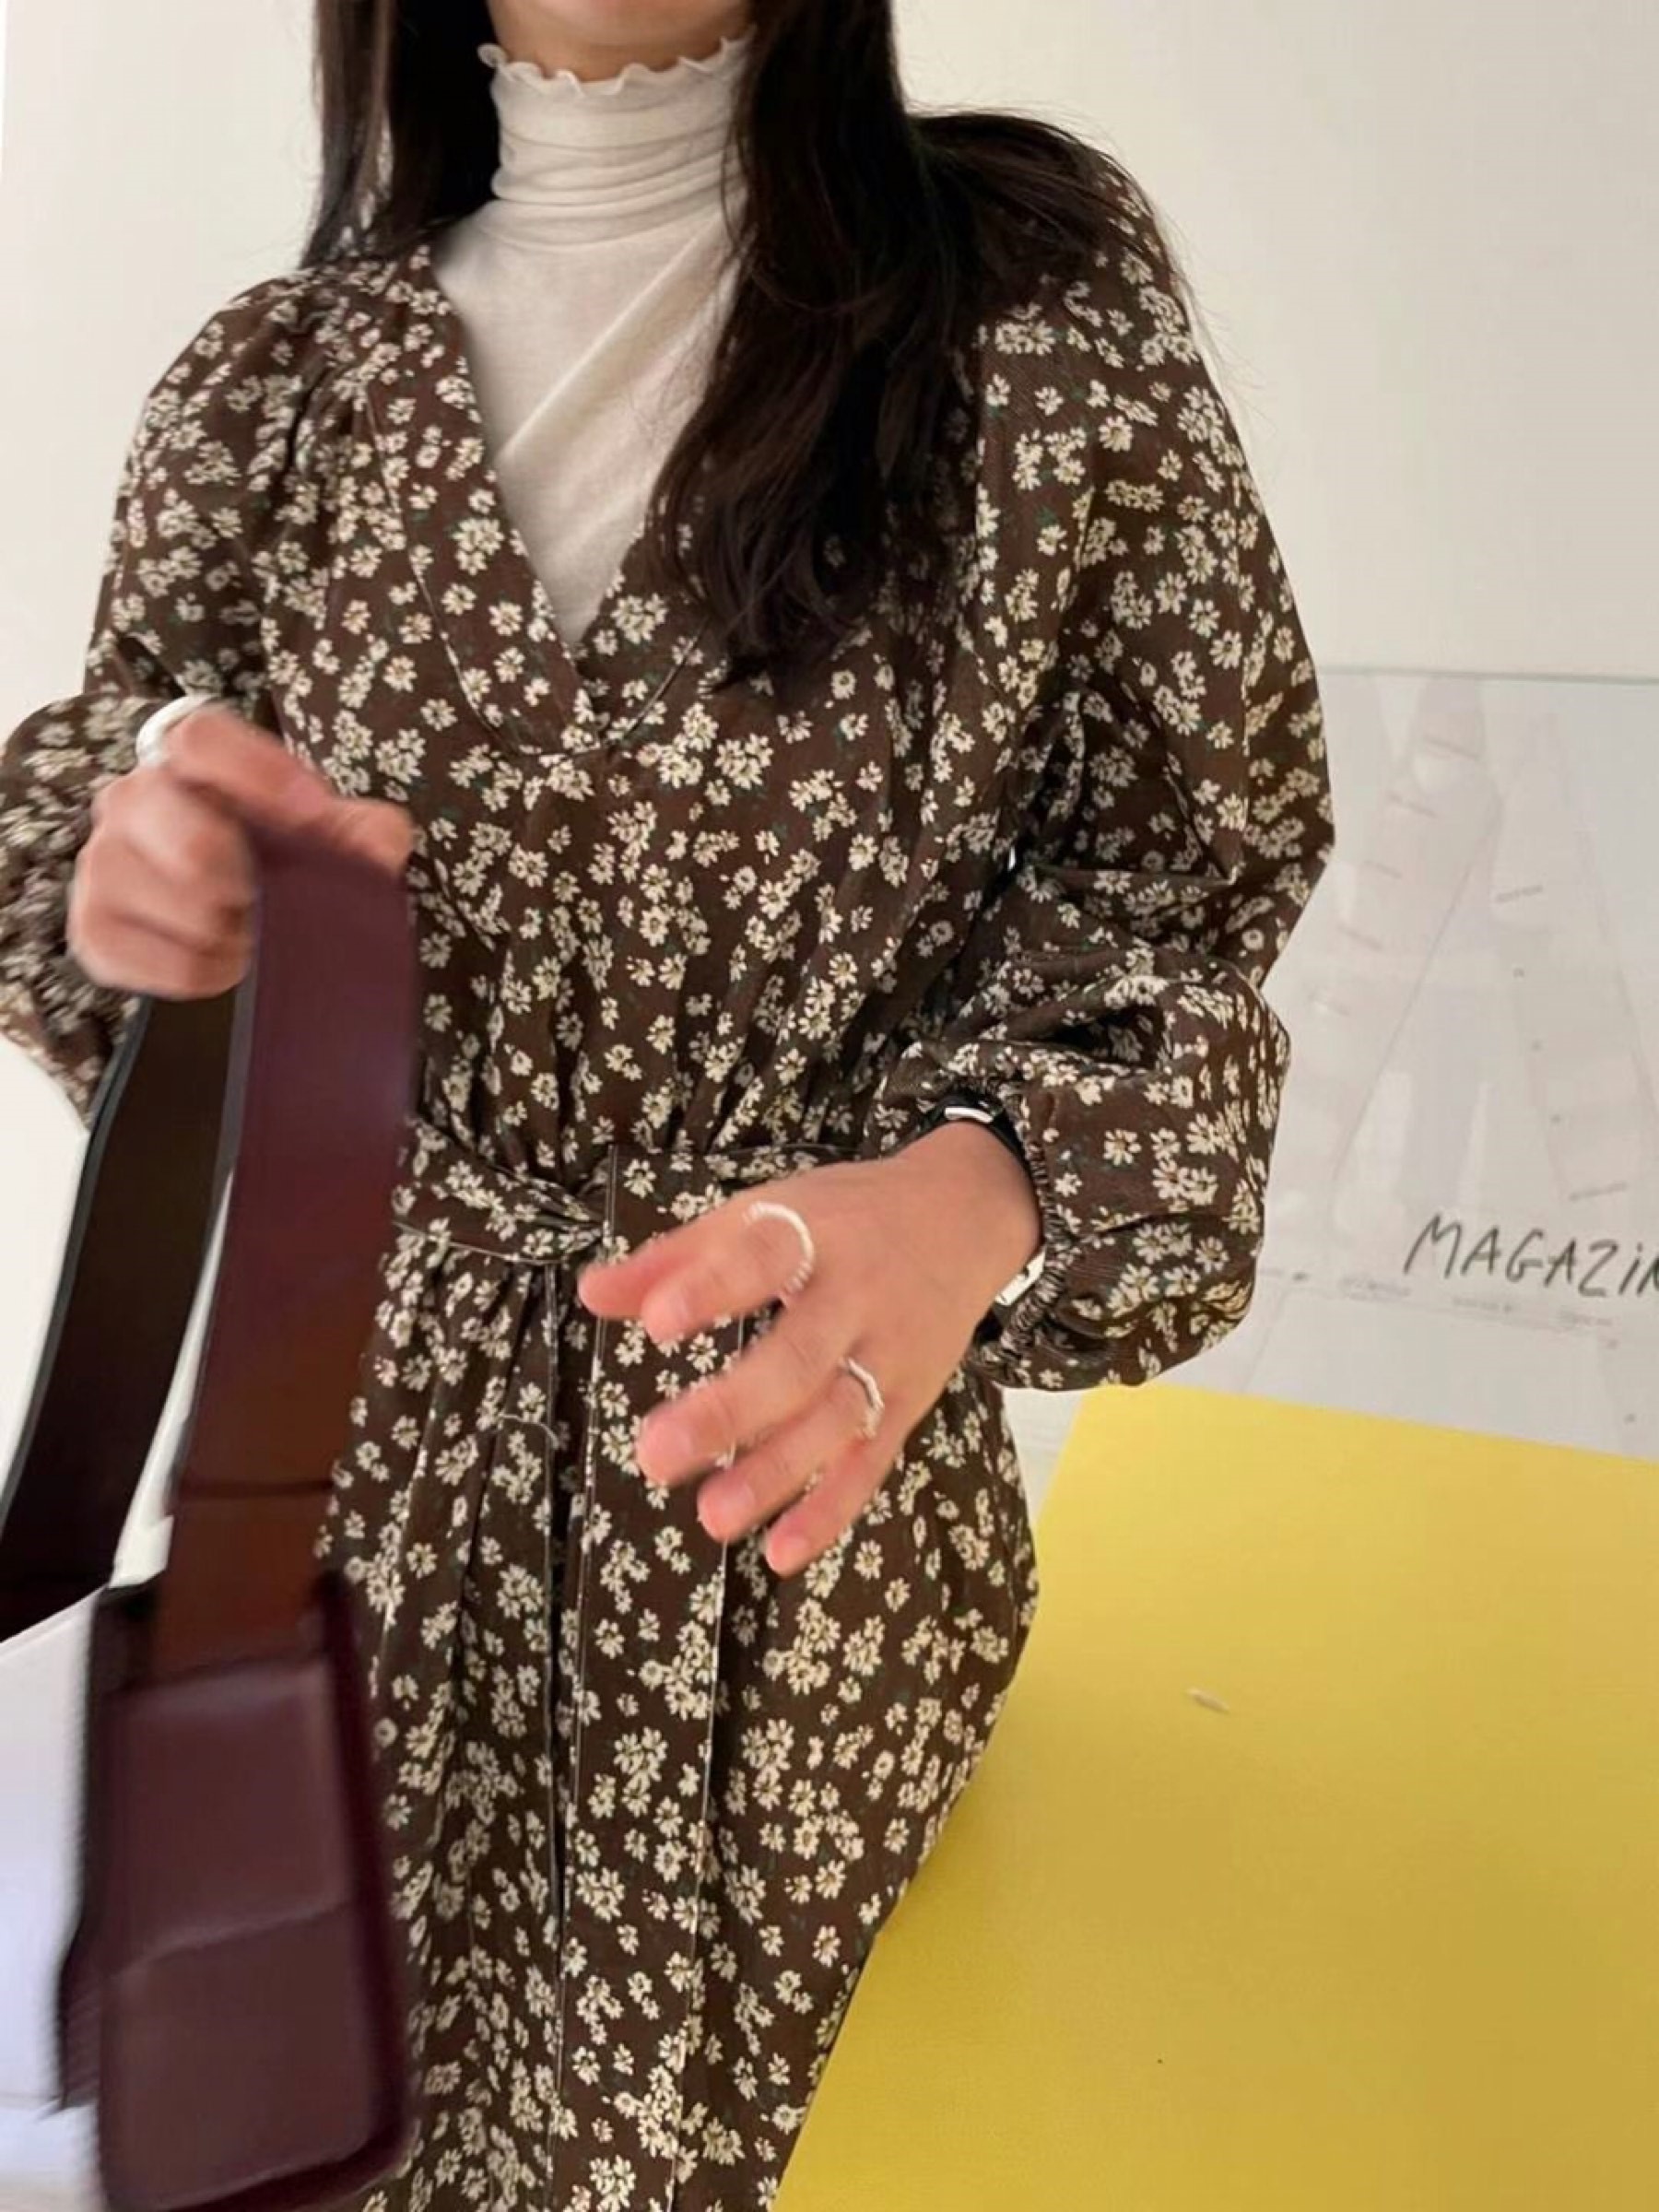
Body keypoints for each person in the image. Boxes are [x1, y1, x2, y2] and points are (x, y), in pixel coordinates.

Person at [0, 1, 1335, 2204]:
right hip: (343, 1541)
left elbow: (1190, 902)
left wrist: (981, 1189)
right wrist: (136, 877)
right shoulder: (276, 396)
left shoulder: (1032, 338)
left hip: (806, 1573)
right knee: (301, 2122)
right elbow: (114, 796)